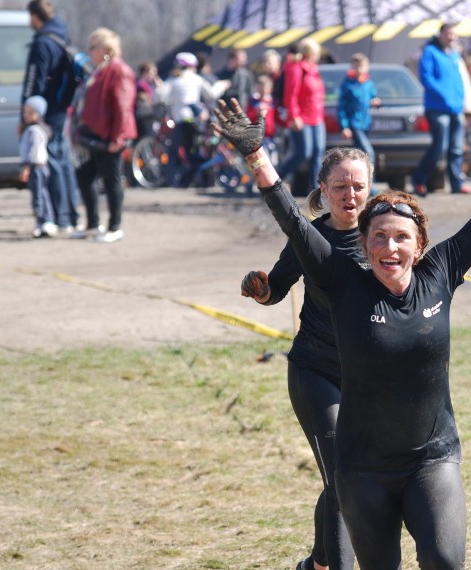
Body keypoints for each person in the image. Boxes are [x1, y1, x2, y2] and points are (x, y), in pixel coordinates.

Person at [213, 94, 471, 569]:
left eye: (401, 237)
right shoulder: (342, 278)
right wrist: (257, 159)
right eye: (377, 237)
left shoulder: (441, 269)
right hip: (357, 452)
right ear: (363, 244)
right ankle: (322, 563)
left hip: (430, 458)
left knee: (444, 561)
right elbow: (294, 224)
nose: (389, 247)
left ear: (420, 243)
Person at [240, 147, 373, 570]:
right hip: (315, 372)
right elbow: (275, 288)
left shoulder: (383, 235)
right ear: (323, 189)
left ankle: (316, 564)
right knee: (343, 479)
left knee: (349, 479)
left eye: (358, 187)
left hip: (367, 380)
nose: (349, 195)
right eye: (340, 187)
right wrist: (259, 286)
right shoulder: (310, 236)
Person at [71, 27, 137, 243]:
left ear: (106, 49)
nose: (89, 51)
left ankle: (114, 226)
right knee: (85, 177)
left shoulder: (118, 70)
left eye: (93, 47)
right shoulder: (99, 69)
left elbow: (122, 106)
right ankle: (92, 223)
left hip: (110, 137)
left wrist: (118, 139)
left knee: (112, 180)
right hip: (93, 136)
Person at [22, 0, 80, 233]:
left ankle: (59, 218)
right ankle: (71, 214)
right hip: (60, 108)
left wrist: (24, 115)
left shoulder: (42, 43)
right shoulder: (61, 37)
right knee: (63, 160)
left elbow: (33, 82)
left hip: (45, 110)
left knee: (51, 162)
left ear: (36, 16)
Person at [411, 22, 469, 196]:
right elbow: (426, 78)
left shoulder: (453, 54)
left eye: (454, 34)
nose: (452, 37)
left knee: (456, 148)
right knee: (439, 147)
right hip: (437, 107)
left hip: (456, 108)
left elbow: (458, 79)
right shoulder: (430, 51)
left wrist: (460, 98)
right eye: (449, 33)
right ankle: (419, 180)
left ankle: (456, 184)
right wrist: (444, 95)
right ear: (441, 34)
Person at [157, 52, 229, 187]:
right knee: (194, 150)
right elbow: (212, 94)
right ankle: (197, 180)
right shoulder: (197, 79)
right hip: (195, 121)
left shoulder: (172, 80)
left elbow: (160, 97)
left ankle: (172, 181)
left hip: (179, 121)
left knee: (175, 151)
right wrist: (222, 85)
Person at [277, 38, 326, 197]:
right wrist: (294, 116)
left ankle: (315, 191)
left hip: (317, 117)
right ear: (309, 53)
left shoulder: (314, 70)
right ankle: (274, 180)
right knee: (303, 153)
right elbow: (290, 95)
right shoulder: (296, 69)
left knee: (318, 153)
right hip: (302, 118)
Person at [337, 53, 381, 192]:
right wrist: (344, 126)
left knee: (359, 156)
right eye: (356, 67)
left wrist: (376, 101)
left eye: (362, 67)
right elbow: (342, 107)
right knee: (369, 152)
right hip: (354, 124)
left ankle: (359, 183)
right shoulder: (348, 84)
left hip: (366, 123)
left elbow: (374, 96)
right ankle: (369, 184)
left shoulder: (368, 83)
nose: (359, 70)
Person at [19, 95, 56, 238]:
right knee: (43, 193)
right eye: (25, 112)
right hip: (40, 166)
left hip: (36, 166)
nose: (26, 115)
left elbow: (33, 151)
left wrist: (27, 166)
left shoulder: (34, 130)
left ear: (39, 114)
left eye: (30, 112)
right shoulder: (36, 129)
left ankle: (42, 220)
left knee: (38, 195)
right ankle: (46, 220)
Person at [134, 61, 162, 141]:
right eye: (152, 72)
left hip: (146, 115)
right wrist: (158, 89)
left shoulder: (145, 84)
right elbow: (149, 99)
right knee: (147, 138)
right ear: (145, 72)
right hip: (144, 115)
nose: (154, 75)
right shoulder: (140, 85)